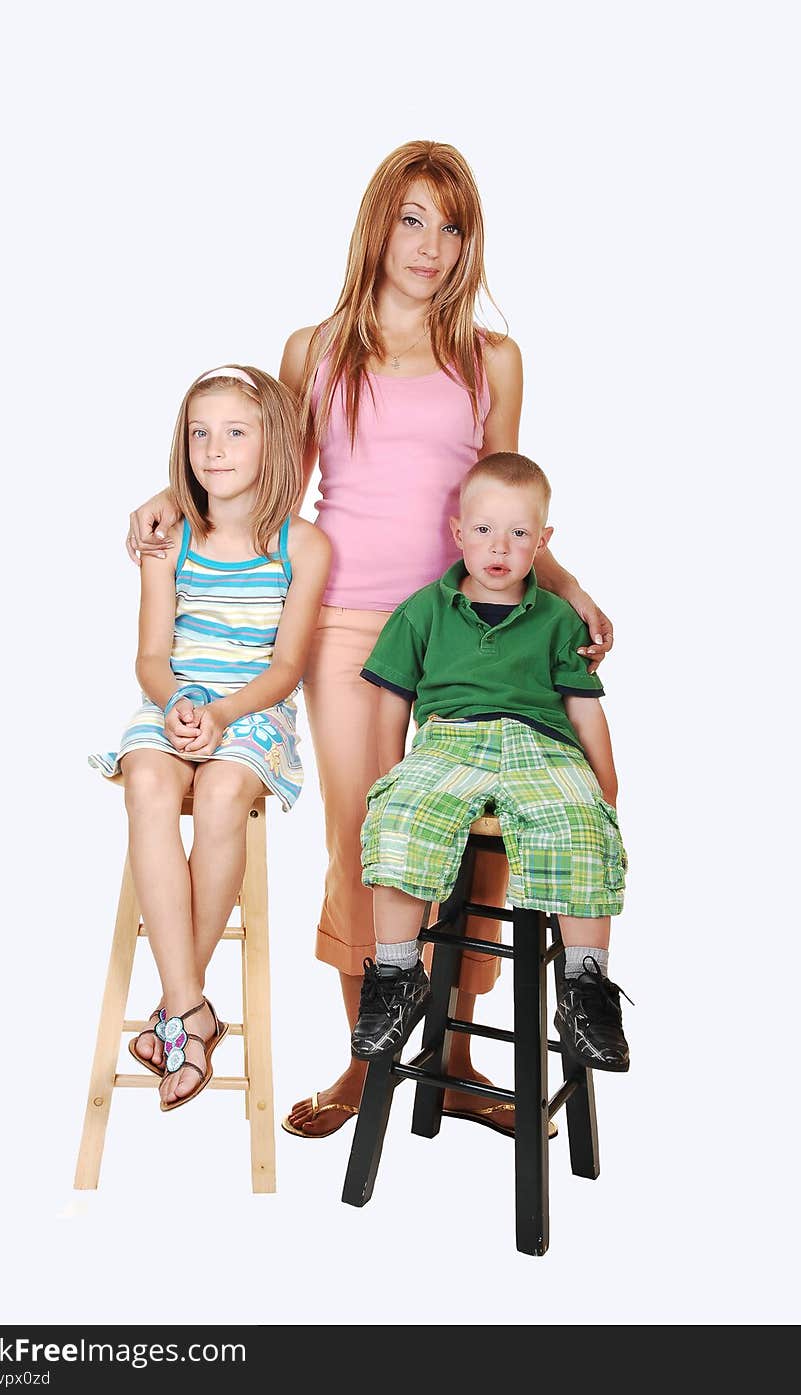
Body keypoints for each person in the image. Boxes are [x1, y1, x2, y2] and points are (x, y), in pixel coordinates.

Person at [126, 141, 614, 1137]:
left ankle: (460, 1057)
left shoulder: (492, 358)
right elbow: (269, 490)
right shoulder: (317, 350)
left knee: (478, 849)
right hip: (345, 630)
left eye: (451, 226)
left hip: (462, 632)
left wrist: (566, 585)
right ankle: (367, 1063)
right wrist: (172, 500)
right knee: (371, 843)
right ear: (378, 223)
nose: (430, 245)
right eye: (412, 219)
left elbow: (502, 501)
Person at [91, 365, 331, 1110]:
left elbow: (288, 665)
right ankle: (191, 1010)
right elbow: (150, 657)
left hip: (253, 709)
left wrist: (224, 714)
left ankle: (175, 1015)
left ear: (275, 445)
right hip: (172, 703)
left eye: (235, 432)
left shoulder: (304, 545)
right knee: (148, 780)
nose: (214, 448)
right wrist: (177, 706)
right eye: (200, 433)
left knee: (225, 790)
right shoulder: (170, 539)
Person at [352, 452, 631, 1077]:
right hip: (450, 740)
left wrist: (605, 787)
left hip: (541, 745)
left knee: (579, 826)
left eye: (519, 533)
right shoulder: (422, 610)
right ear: (458, 532)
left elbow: (584, 713)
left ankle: (585, 991)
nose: (498, 547)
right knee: (400, 819)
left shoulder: (560, 620)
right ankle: (396, 975)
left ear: (544, 541)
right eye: (483, 530)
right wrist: (386, 776)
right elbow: (391, 704)